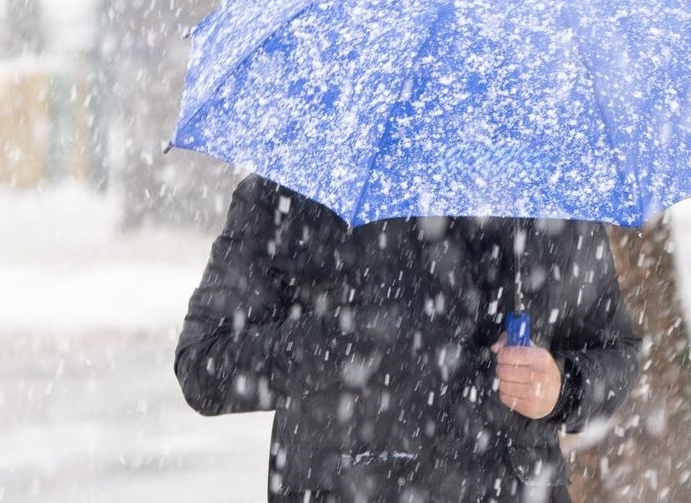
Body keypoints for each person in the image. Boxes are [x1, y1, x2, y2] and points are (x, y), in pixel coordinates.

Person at [175, 175, 640, 502]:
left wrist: (563, 388)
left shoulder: (542, 193)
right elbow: (205, 365)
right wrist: (341, 342)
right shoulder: (291, 195)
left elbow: (616, 352)